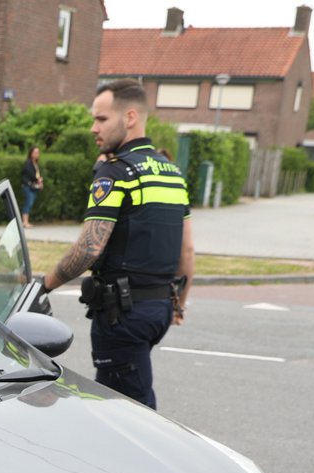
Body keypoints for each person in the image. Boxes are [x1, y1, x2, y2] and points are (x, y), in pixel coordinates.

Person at [40, 79, 193, 410]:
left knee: (126, 412)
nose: (94, 128)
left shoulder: (117, 172)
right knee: (125, 398)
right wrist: (179, 302)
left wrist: (44, 285)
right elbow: (187, 252)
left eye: (101, 119)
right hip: (158, 310)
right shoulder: (171, 173)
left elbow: (89, 248)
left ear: (131, 117)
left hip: (123, 315)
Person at [19, 146, 43, 228]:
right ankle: (25, 222)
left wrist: (39, 181)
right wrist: (37, 179)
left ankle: (26, 221)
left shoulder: (35, 164)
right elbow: (30, 173)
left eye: (38, 152)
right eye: (35, 152)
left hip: (33, 187)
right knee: (28, 203)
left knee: (30, 203)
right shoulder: (28, 163)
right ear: (31, 153)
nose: (37, 154)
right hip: (28, 186)